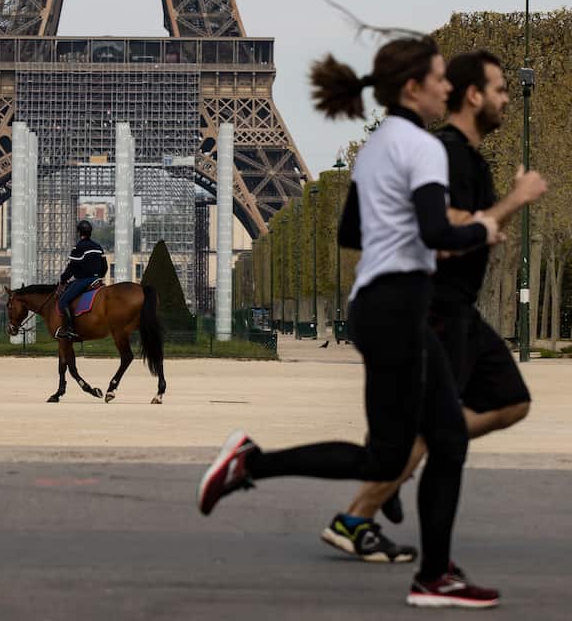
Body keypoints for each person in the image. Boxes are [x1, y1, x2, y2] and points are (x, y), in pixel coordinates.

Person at [197, 35, 506, 610]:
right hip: (397, 308)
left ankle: (435, 576)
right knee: (390, 457)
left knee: (443, 438)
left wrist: (402, 228)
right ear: (413, 87)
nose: (447, 87)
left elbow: (350, 235)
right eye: (440, 78)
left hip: (381, 305)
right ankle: (251, 462)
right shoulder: (424, 147)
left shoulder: (381, 144)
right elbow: (439, 233)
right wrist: (487, 226)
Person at [320, 49, 548, 563]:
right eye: (501, 89)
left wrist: (486, 223)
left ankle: (398, 451)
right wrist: (507, 205)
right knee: (433, 429)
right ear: (474, 94)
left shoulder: (466, 155)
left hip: (461, 307)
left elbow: (456, 223)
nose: (508, 99)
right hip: (435, 306)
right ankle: (358, 515)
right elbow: (432, 218)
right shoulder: (439, 149)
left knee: (512, 401)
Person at [55, 220, 108, 340]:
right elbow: (105, 266)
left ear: (79, 232)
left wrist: (63, 280)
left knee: (63, 301)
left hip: (84, 280)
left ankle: (69, 330)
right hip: (96, 280)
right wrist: (99, 277)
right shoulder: (98, 247)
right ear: (90, 232)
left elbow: (71, 268)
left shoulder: (79, 247)